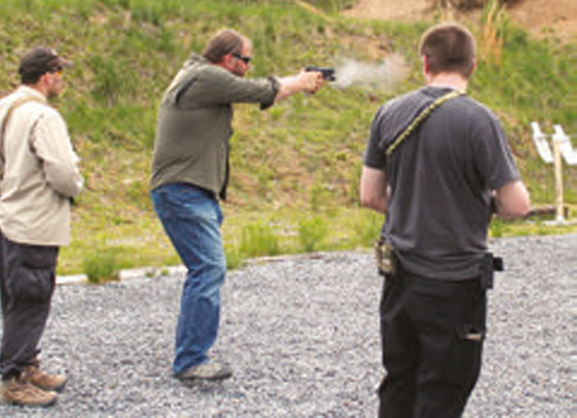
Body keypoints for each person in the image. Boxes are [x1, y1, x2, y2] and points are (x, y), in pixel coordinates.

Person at [359, 22, 530, 417]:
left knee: (399, 379)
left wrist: (416, 206)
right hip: (455, 281)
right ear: (473, 64)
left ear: (425, 63)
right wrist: (467, 206)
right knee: (444, 389)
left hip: (398, 275)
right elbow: (517, 205)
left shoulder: (388, 113)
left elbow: (370, 195)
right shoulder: (479, 121)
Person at [150, 28, 325, 381]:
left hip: (191, 192)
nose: (248, 66)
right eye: (245, 60)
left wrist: (296, 84)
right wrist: (301, 81)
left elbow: (265, 95)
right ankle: (190, 360)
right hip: (184, 192)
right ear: (228, 59)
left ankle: (191, 354)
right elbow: (262, 90)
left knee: (206, 270)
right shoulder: (206, 75)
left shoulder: (200, 75)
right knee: (209, 269)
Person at [0, 46, 83, 407]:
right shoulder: (44, 117)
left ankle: (28, 363)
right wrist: (76, 187)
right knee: (31, 296)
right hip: (37, 221)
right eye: (59, 73)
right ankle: (14, 377)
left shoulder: (1, 108)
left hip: (9, 217)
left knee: (16, 294)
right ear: (47, 76)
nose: (61, 79)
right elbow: (61, 170)